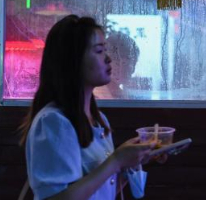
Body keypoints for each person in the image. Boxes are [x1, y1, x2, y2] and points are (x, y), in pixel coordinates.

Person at [19, 15, 157, 200]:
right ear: (74, 60)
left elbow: (98, 192)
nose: (108, 59)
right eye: (99, 51)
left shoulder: (98, 119)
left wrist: (131, 162)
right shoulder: (53, 122)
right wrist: (116, 161)